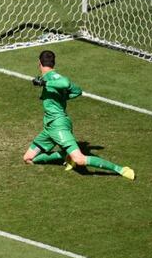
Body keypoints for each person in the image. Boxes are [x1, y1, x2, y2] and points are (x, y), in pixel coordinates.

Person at [23, 50, 135, 180]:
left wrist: (44, 83)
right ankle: (66, 156)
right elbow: (77, 91)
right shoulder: (48, 78)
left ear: (39, 62)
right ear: (53, 63)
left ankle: (121, 169)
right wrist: (63, 97)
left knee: (80, 159)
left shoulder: (51, 77)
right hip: (49, 128)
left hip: (58, 125)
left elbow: (65, 83)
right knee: (28, 158)